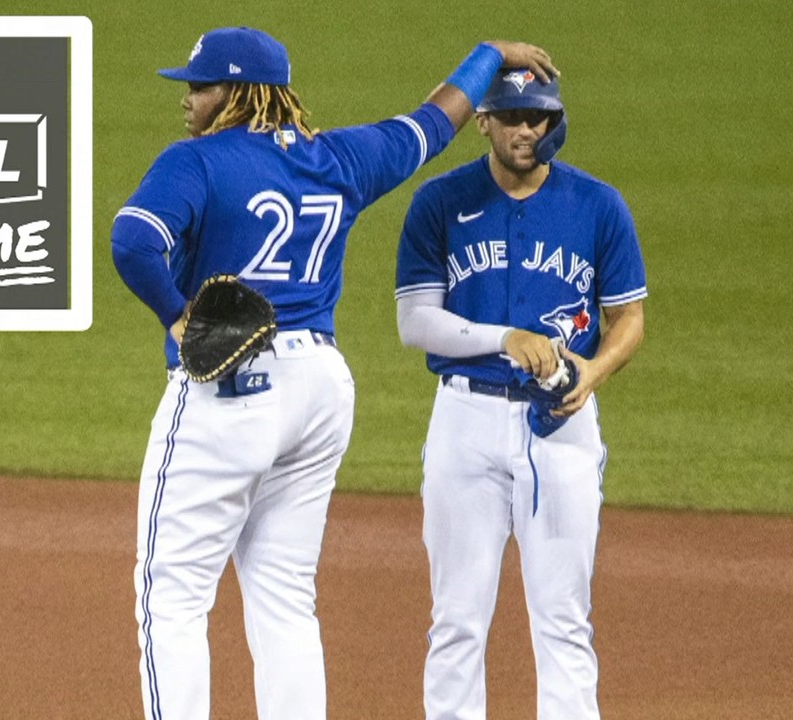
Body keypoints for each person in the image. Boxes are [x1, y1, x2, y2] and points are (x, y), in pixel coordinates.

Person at [112, 27, 558, 720]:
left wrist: (176, 316)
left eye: (199, 86)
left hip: (228, 393)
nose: (188, 100)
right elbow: (430, 125)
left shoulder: (193, 163)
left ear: (236, 92)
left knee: (170, 595)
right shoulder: (341, 158)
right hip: (318, 389)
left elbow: (132, 240)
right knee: (285, 593)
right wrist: (485, 58)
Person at [394, 68, 648, 719]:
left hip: (563, 427)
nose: (526, 131)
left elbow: (628, 319)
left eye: (538, 117)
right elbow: (415, 323)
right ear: (483, 121)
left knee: (563, 618)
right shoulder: (438, 202)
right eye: (511, 117)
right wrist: (503, 337)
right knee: (455, 619)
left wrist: (591, 376)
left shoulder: (597, 205)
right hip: (463, 420)